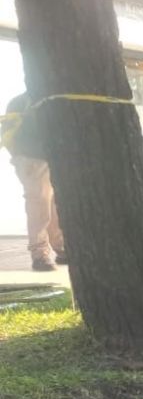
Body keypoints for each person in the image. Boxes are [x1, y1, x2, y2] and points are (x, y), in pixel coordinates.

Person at [3, 93, 65, 272]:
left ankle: (58, 247)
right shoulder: (41, 99)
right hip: (34, 157)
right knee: (41, 204)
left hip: (33, 157)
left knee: (49, 203)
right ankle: (40, 254)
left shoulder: (21, 100)